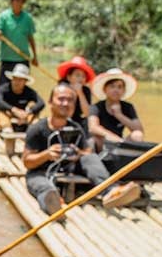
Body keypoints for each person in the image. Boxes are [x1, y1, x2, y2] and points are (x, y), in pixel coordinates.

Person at [23, 84, 140, 214]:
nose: (65, 103)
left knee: (90, 158)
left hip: (69, 169)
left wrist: (78, 154)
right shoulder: (37, 129)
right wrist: (47, 154)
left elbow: (87, 152)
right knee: (43, 187)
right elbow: (27, 162)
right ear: (51, 102)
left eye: (70, 100)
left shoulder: (76, 128)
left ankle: (111, 190)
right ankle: (54, 204)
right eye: (61, 99)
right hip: (41, 172)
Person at [87, 68, 145, 151]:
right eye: (112, 86)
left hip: (120, 143)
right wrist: (112, 137)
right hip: (104, 141)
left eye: (119, 87)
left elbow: (139, 129)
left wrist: (119, 115)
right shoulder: (96, 107)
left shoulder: (128, 107)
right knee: (94, 139)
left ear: (124, 91)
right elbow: (93, 127)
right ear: (105, 89)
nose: (116, 90)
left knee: (137, 135)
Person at [0, 0, 38, 91]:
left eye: (21, 1)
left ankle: (19, 107)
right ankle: (1, 107)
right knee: (3, 89)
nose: (19, 3)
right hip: (7, 59)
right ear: (11, 1)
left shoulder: (27, 18)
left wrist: (35, 57)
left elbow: (31, 38)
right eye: (16, 0)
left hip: (22, 59)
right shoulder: (4, 16)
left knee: (21, 90)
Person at [0, 63, 45, 132]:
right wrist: (13, 109)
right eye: (15, 78)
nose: (16, 82)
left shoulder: (29, 91)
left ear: (25, 81)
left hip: (24, 115)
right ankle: (7, 129)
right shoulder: (4, 89)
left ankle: (33, 129)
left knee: (33, 107)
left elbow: (41, 103)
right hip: (8, 113)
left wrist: (28, 112)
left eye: (20, 80)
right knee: (0, 110)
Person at [56, 56, 96, 123]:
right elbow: (65, 113)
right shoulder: (62, 89)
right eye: (77, 75)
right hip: (62, 120)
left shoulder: (86, 90)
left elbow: (87, 114)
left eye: (83, 76)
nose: (80, 79)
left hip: (78, 120)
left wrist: (80, 93)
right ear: (69, 77)